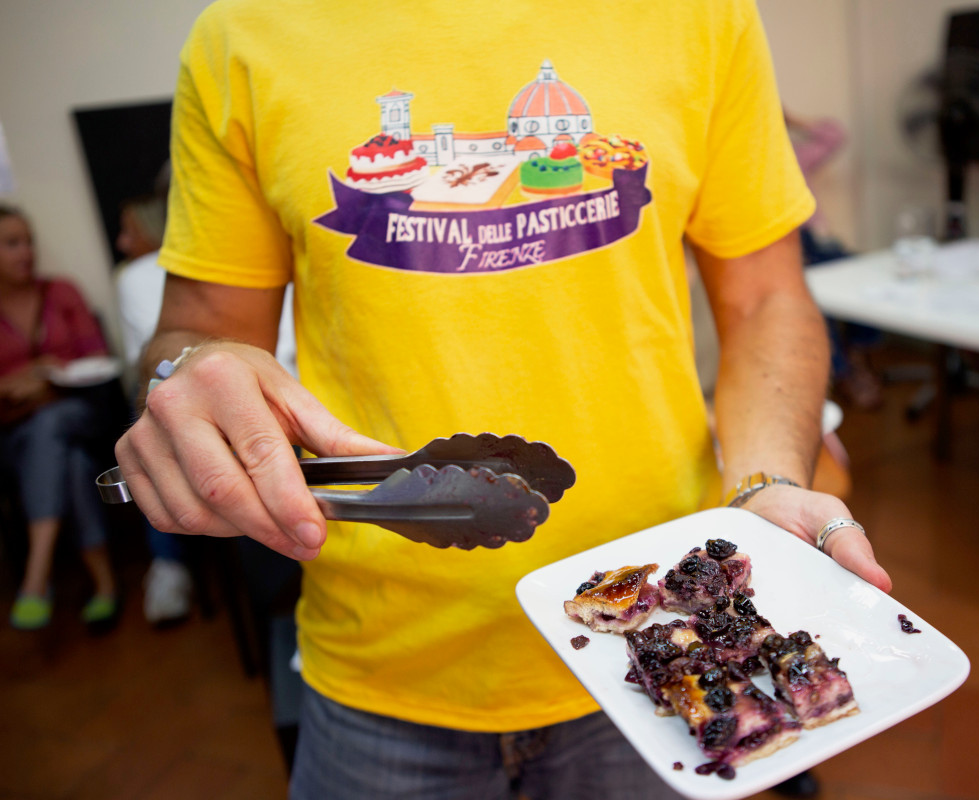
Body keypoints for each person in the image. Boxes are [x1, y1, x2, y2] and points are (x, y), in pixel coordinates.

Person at [114, 2, 892, 797]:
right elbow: (202, 330)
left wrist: (763, 484)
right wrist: (190, 372)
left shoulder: (700, 13)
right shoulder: (241, 35)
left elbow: (766, 297)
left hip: (659, 624)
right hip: (381, 662)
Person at [115, 190, 299, 625]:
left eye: (128, 230)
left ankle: (171, 566)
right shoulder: (150, 279)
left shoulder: (136, 276)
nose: (123, 241)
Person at [0, 204, 119, 630]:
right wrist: (24, 380)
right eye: (12, 243)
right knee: (69, 463)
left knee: (52, 428)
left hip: (76, 415)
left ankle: (35, 577)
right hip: (16, 437)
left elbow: (99, 362)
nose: (26, 251)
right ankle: (105, 585)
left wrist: (49, 381)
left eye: (28, 240)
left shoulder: (61, 292)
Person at [786, 113, 884, 411]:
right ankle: (843, 373)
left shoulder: (792, 156)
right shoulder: (741, 162)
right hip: (785, 243)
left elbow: (834, 136)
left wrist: (792, 120)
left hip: (816, 238)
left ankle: (858, 351)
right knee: (814, 297)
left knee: (865, 275)